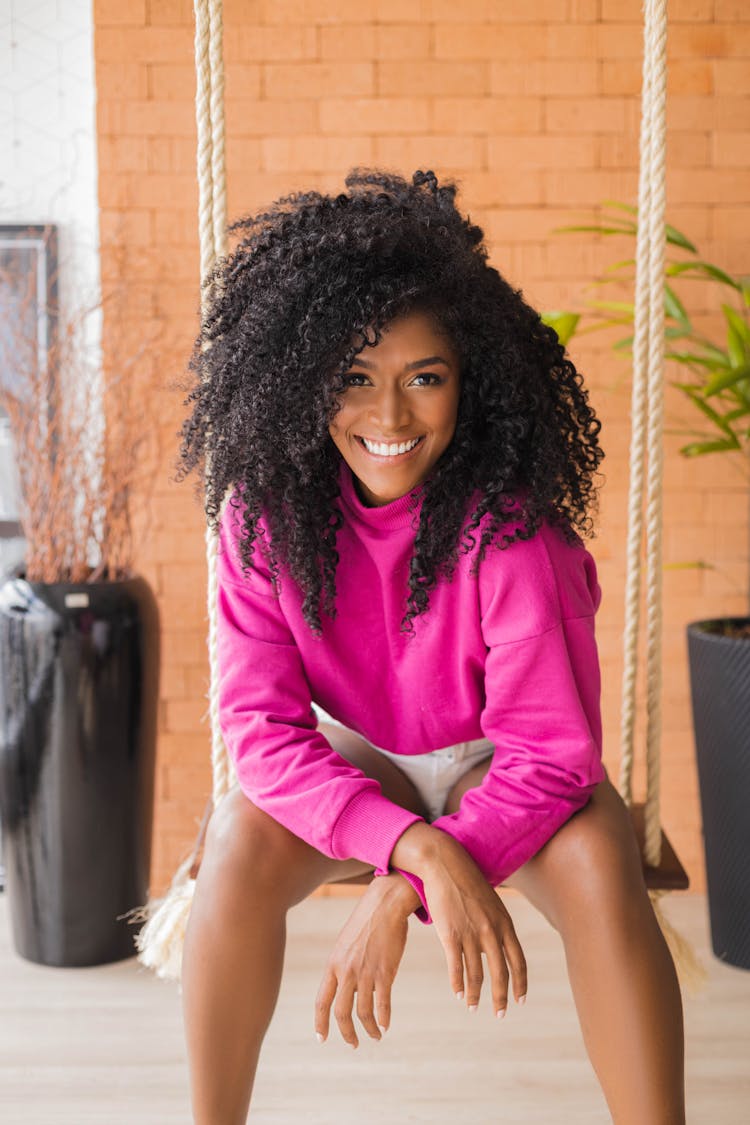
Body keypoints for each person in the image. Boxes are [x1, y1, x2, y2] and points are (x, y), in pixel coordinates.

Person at [176, 168, 686, 1124]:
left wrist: (397, 887)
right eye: (355, 379)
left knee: (600, 860)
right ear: (301, 379)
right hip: (367, 748)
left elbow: (550, 757)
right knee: (240, 832)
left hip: (507, 764)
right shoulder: (262, 519)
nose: (392, 417)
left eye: (426, 377)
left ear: (471, 378)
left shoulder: (514, 535)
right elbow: (261, 731)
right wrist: (411, 845)